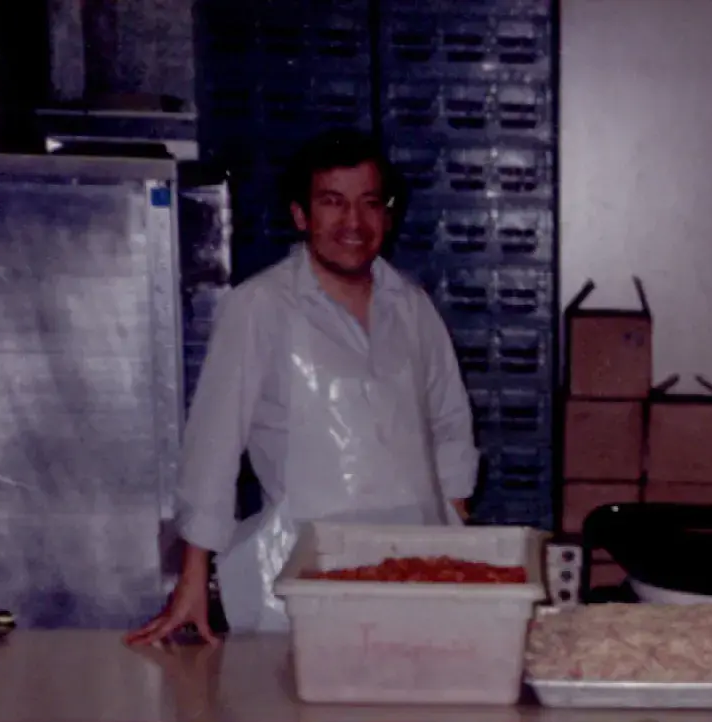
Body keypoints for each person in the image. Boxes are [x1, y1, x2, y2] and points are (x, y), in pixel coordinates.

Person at [128, 129, 478, 643]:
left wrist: (453, 532)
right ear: (301, 215)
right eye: (333, 203)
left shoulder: (413, 306)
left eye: (369, 203)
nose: (353, 223)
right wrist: (193, 577)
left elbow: (451, 424)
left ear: (387, 214)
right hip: (300, 582)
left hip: (415, 576)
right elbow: (213, 445)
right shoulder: (260, 307)